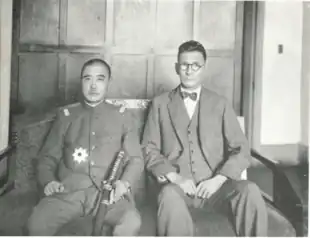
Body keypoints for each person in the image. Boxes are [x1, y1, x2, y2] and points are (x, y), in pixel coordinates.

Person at [142, 40, 268, 236]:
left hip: (217, 188)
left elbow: (241, 149)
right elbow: (149, 148)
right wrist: (175, 178)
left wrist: (218, 180)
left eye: (196, 65)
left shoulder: (221, 104)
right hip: (179, 189)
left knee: (250, 190)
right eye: (184, 65)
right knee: (168, 196)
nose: (189, 70)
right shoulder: (159, 104)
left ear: (204, 69)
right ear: (177, 68)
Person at [27, 58, 143, 236]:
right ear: (81, 82)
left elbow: (135, 159)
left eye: (100, 79)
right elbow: (47, 157)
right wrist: (49, 180)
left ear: (108, 83)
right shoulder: (66, 116)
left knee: (131, 221)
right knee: (37, 223)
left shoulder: (123, 117)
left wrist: (123, 184)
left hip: (107, 193)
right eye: (87, 79)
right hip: (68, 193)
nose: (93, 86)